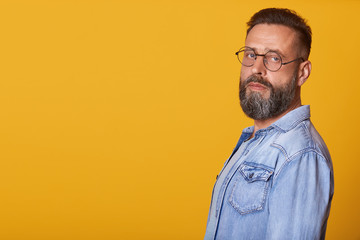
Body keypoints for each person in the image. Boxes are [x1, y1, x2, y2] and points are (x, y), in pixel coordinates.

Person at [204, 8, 334, 240]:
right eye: (251, 54)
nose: (256, 69)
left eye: (274, 58)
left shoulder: (300, 155)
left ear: (302, 73)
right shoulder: (253, 141)